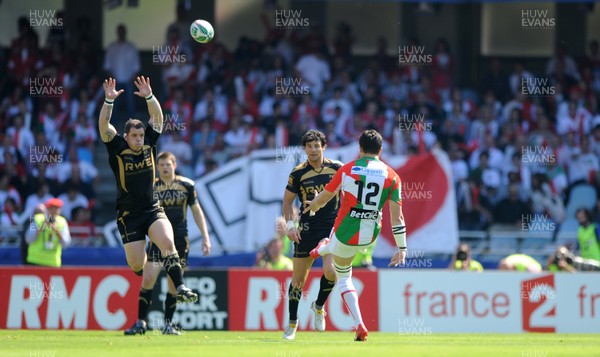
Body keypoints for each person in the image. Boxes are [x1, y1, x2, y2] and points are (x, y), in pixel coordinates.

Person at [99, 76, 198, 336]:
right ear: (126, 136)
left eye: (142, 135)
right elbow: (103, 125)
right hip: (128, 215)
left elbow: (158, 120)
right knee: (136, 265)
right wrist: (109, 100)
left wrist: (150, 97)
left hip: (153, 208)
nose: (140, 139)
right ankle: (145, 272)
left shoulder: (150, 144)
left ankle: (182, 286)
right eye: (135, 135)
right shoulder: (116, 148)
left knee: (168, 242)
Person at [305, 129, 407, 342]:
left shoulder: (347, 170)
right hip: (369, 236)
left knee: (343, 277)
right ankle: (324, 247)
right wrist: (402, 248)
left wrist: (312, 205)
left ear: (360, 149)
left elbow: (323, 199)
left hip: (345, 233)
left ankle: (359, 323)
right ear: (380, 150)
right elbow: (397, 219)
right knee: (340, 256)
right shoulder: (393, 176)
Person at [125, 151, 211, 335]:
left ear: (174, 165)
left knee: (173, 285)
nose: (164, 167)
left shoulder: (187, 185)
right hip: (157, 241)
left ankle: (168, 324)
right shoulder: (151, 186)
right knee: (148, 279)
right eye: (161, 164)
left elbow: (197, 211)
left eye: (168, 164)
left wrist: (205, 236)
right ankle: (141, 323)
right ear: (156, 167)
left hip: (179, 241)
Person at [282, 130, 342, 340]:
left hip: (331, 229)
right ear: (304, 149)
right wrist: (290, 226)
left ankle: (318, 306)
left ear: (323, 147)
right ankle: (292, 324)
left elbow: (351, 194)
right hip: (306, 230)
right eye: (309, 146)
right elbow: (288, 201)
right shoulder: (298, 173)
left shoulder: (337, 168)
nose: (313, 150)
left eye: (317, 146)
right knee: (298, 281)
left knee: (331, 272)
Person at [25, 198, 71, 267]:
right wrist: (42, 227)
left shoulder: (62, 222)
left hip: (53, 262)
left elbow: (66, 243)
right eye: (52, 208)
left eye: (57, 208)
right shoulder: (37, 219)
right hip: (35, 260)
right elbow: (28, 239)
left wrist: (57, 230)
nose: (54, 211)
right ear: (47, 209)